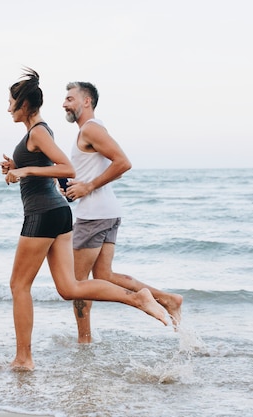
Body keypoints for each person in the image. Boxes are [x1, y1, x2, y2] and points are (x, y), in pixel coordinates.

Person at [0, 69, 170, 371]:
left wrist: (26, 171)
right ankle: (138, 298)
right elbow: (45, 164)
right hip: (57, 214)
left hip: (42, 214)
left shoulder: (38, 131)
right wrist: (16, 165)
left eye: (11, 102)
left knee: (19, 285)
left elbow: (67, 168)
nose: (8, 108)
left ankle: (24, 359)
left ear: (24, 105)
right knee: (69, 287)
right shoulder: (38, 132)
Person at [62, 81, 183, 344]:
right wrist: (76, 187)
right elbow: (91, 171)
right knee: (105, 277)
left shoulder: (91, 129)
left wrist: (89, 187)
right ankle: (169, 299)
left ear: (86, 101)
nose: (64, 104)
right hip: (106, 211)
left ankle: (84, 341)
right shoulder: (91, 130)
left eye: (70, 98)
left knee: (77, 283)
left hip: (94, 215)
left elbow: (123, 162)